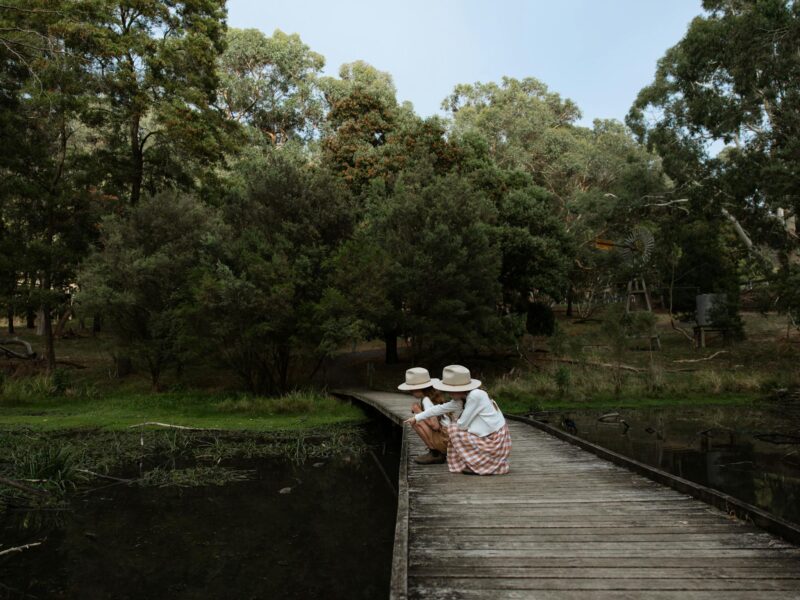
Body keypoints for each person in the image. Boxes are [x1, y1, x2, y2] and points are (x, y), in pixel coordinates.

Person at [406, 364, 511, 475]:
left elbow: (462, 424)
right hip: (489, 435)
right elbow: (439, 409)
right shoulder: (464, 398)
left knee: (455, 430)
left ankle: (482, 465)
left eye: (451, 390)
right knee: (455, 428)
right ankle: (479, 463)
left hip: (495, 440)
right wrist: (417, 417)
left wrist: (456, 419)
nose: (449, 393)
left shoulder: (476, 395)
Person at [398, 367, 452, 464]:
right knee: (418, 419)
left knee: (416, 422)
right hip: (448, 436)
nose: (410, 391)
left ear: (420, 388)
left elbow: (435, 426)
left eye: (412, 389)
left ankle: (435, 454)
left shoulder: (426, 400)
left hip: (445, 439)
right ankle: (436, 452)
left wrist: (418, 411)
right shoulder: (431, 397)